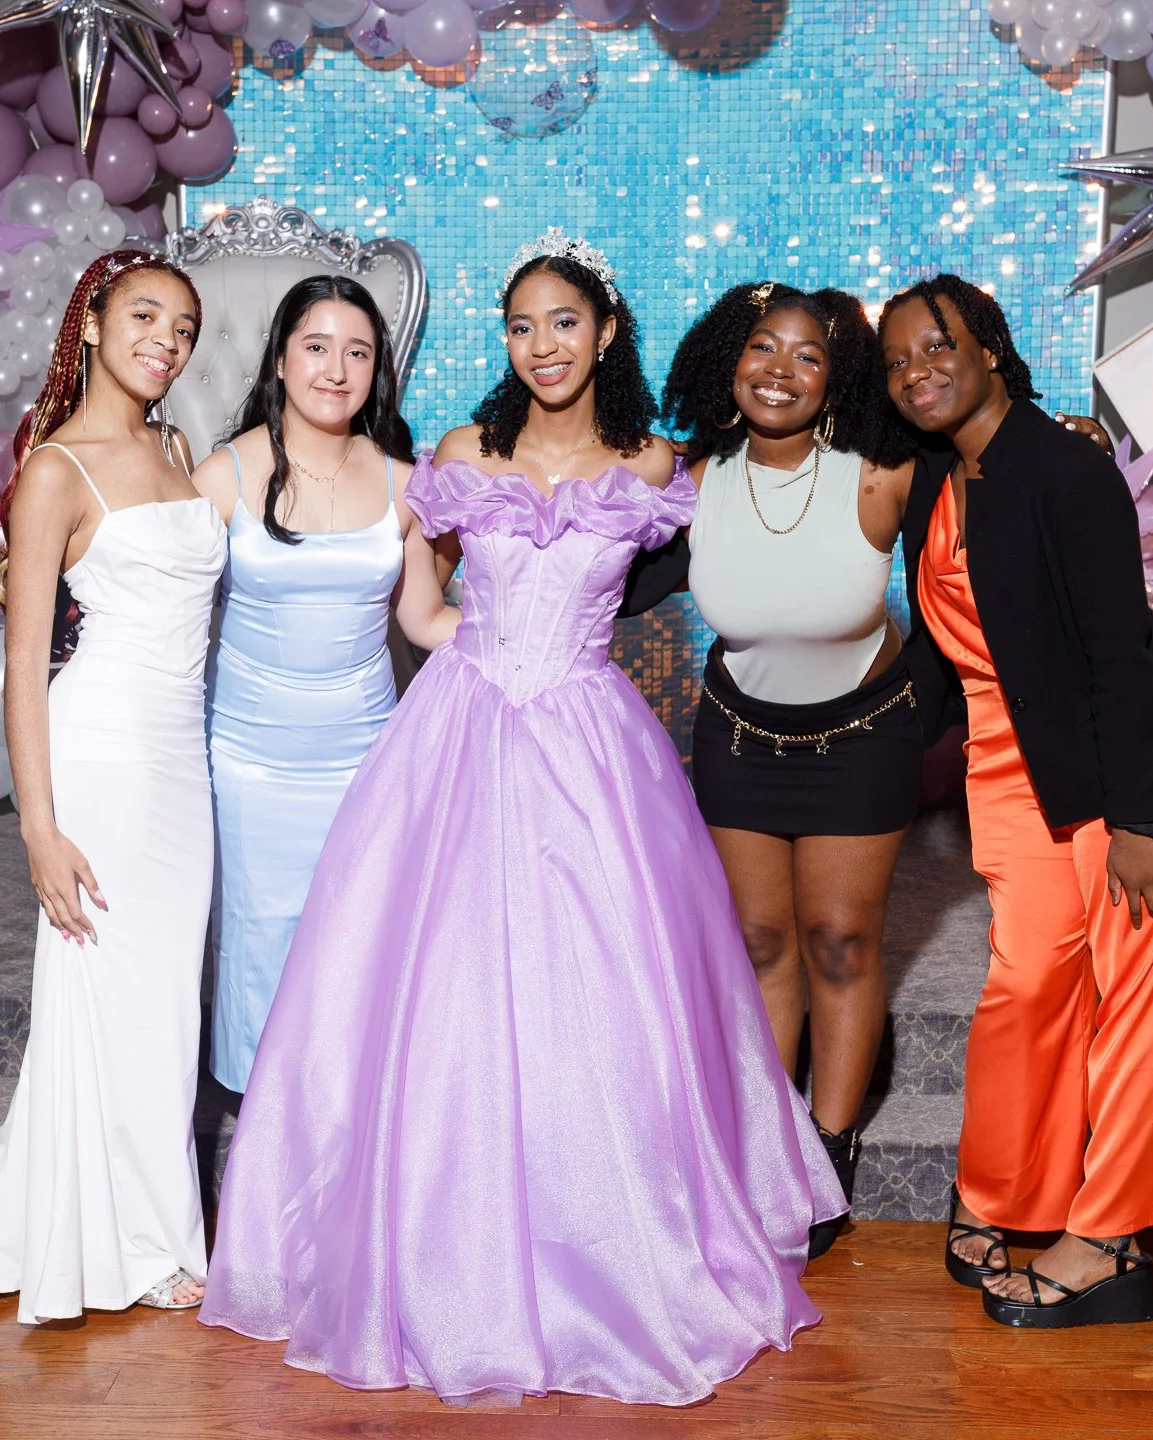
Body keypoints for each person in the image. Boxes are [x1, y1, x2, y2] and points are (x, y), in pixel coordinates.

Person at [199, 232, 844, 1406]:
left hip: (593, 747)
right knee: (433, 989)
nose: (540, 345)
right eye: (519, 326)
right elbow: (423, 603)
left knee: (601, 991)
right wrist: (487, 652)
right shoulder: (458, 452)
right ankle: (431, 1249)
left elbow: (765, 536)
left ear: (603, 331)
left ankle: (611, 1239)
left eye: (562, 322)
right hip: (464, 729)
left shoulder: (652, 467)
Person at [880, 274, 1153, 1329]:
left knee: (1136, 1000)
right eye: (897, 361)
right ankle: (1003, 1188)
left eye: (937, 346)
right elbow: (958, 647)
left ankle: (1107, 1242)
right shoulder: (942, 472)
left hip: (1133, 767)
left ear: (990, 345)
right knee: (1027, 984)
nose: (917, 373)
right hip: (1013, 762)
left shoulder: (1065, 468)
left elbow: (1118, 660)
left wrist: (1137, 823)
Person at [0, 250, 224, 1322]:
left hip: (178, 764)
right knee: (106, 995)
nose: (167, 339)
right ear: (92, 324)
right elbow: (25, 665)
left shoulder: (176, 445)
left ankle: (8, 1201)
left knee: (159, 1008)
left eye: (184, 327)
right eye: (146, 315)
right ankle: (144, 1246)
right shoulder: (57, 470)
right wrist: (38, 831)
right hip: (98, 752)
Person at [647, 282, 925, 1259]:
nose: (781, 370)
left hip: (862, 741)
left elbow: (979, 549)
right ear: (730, 361)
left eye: (809, 356)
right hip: (738, 739)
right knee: (764, 950)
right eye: (764, 348)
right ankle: (770, 1151)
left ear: (836, 377)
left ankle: (829, 1151)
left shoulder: (879, 476)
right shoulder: (690, 478)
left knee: (840, 943)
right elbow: (591, 541)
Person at [190, 275, 452, 1094]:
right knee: (261, 940)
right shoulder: (225, 475)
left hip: (367, 760)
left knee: (360, 942)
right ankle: (263, 1121)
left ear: (379, 370)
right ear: (279, 359)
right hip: (248, 763)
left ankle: (348, 1129)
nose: (335, 369)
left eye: (357, 351)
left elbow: (423, 622)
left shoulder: (410, 485)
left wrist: (536, 634)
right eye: (316, 346)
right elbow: (170, 623)